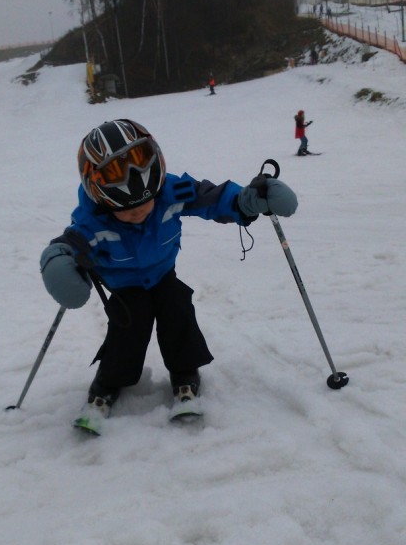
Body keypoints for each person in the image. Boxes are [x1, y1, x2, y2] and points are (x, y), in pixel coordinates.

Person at [39, 118, 297, 420]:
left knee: (178, 311)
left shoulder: (170, 191)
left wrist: (248, 200)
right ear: (104, 202)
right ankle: (108, 383)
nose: (139, 213)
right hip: (124, 286)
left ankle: (185, 373)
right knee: (128, 328)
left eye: (146, 204)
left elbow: (213, 198)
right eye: (128, 211)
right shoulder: (93, 220)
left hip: (163, 275)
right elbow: (72, 242)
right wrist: (60, 260)